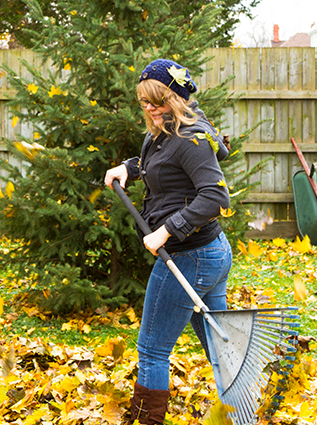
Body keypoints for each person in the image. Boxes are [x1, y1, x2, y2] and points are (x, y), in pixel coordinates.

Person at [103, 58, 232, 424]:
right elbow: (162, 165)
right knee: (218, 343)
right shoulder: (163, 130)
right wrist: (129, 168)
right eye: (143, 101)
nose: (149, 109)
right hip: (211, 253)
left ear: (176, 98)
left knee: (152, 349)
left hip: (189, 255)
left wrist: (166, 230)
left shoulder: (190, 138)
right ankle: (242, 409)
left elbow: (216, 197)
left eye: (156, 102)